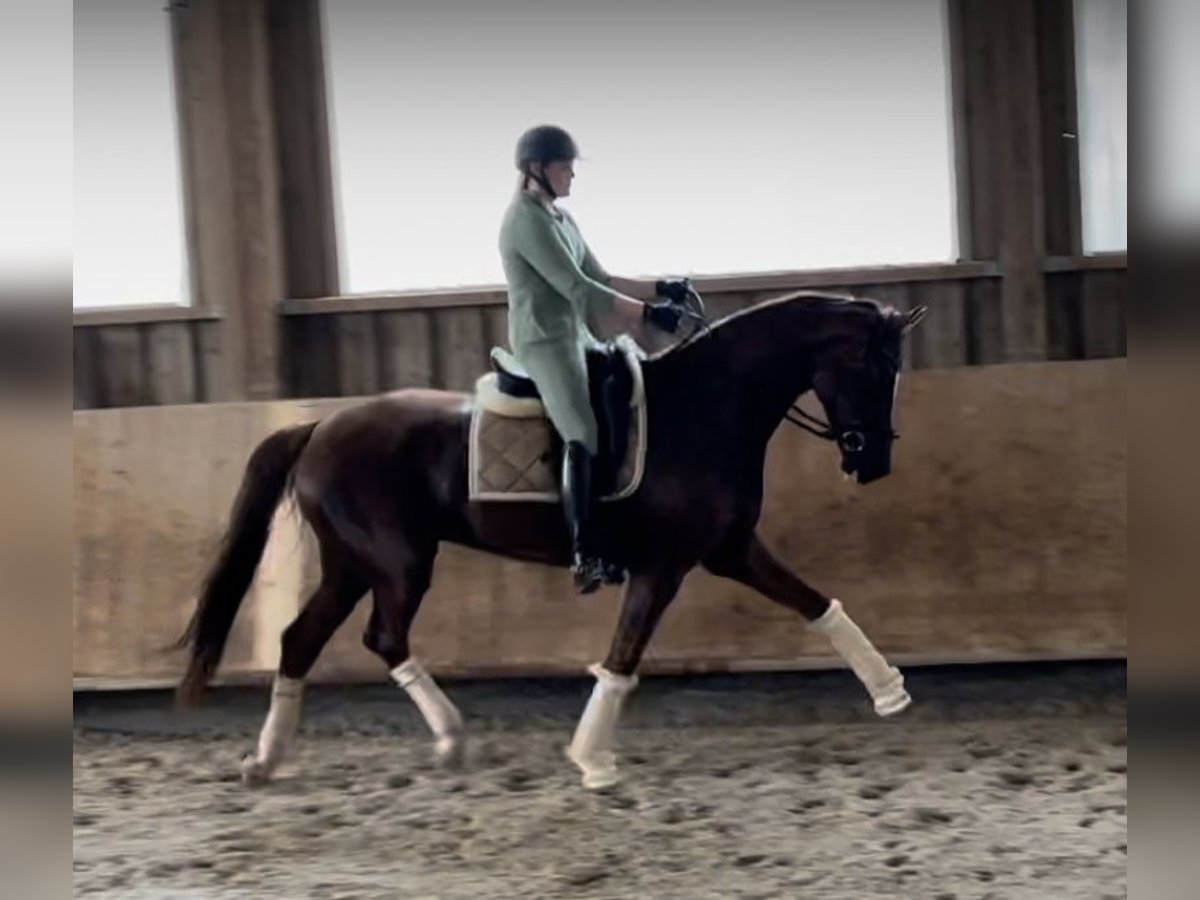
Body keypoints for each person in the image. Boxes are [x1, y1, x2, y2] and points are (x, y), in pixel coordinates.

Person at [498, 124, 686, 594]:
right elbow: (578, 289)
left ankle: (619, 518)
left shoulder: (560, 218)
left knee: (626, 388)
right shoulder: (524, 220)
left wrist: (660, 287)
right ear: (537, 168)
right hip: (544, 343)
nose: (571, 177)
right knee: (581, 433)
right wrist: (647, 312)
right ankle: (585, 553)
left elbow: (599, 275)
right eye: (565, 168)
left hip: (576, 335)